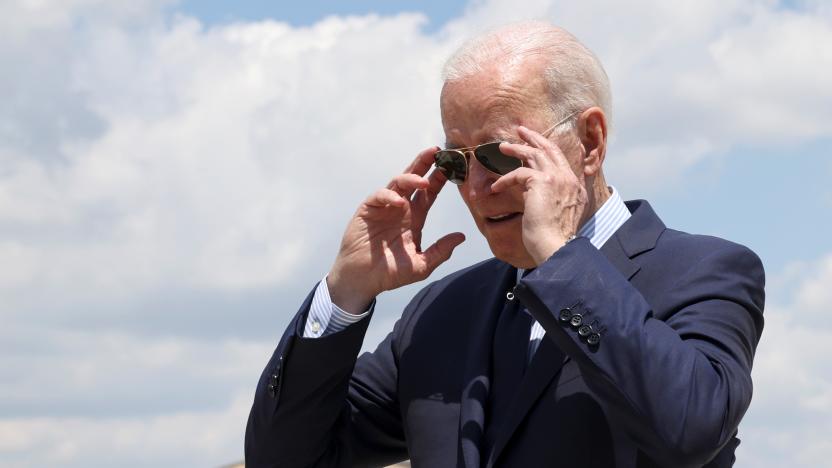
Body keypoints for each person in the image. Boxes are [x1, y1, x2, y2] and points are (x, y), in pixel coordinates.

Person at [245, 21, 765, 468]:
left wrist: (562, 260)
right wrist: (346, 291)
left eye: (499, 155)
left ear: (590, 141)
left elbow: (690, 429)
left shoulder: (706, 271)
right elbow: (286, 457)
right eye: (455, 163)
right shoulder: (442, 311)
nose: (474, 190)